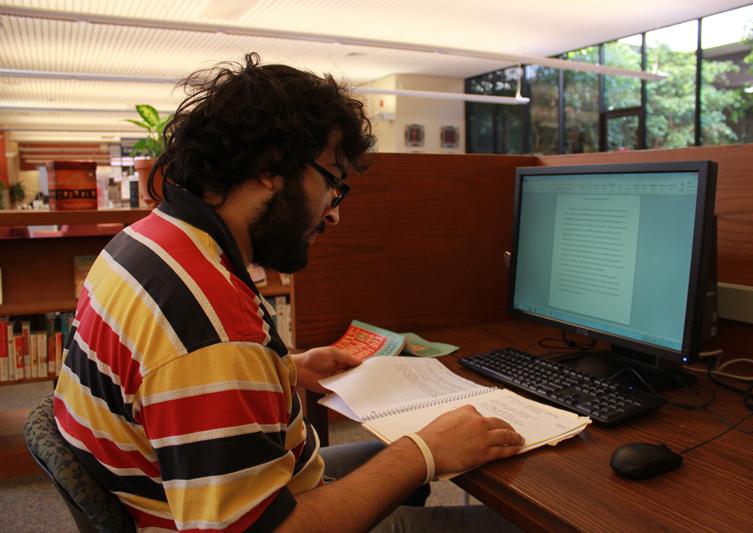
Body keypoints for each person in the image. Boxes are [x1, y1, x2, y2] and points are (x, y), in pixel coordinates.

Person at [54, 53, 524, 532]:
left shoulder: (144, 243)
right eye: (332, 183)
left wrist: (286, 369)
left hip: (186, 488)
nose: (333, 213)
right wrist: (423, 452)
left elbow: (161, 380)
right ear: (270, 165)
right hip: (238, 516)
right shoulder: (213, 329)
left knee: (407, 461)